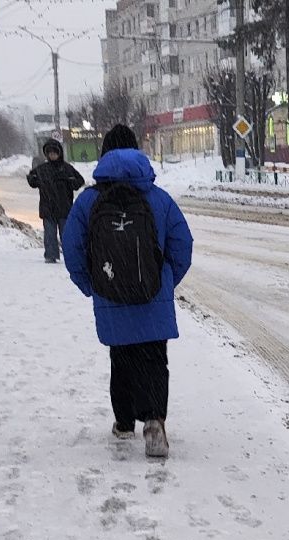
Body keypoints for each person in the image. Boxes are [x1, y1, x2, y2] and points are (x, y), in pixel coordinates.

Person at [62, 124, 194, 458]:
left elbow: (72, 248)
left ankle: (123, 423)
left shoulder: (88, 201)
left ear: (104, 154)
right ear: (137, 152)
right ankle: (154, 420)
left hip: (110, 294)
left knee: (120, 359)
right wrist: (164, 282)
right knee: (154, 359)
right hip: (152, 296)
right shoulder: (159, 199)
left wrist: (92, 285)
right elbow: (183, 245)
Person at [27, 139, 85, 264]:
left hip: (64, 207)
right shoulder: (42, 169)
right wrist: (35, 180)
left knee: (67, 234)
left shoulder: (67, 168)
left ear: (59, 153)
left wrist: (69, 181)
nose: (52, 155)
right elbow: (32, 180)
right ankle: (51, 255)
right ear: (47, 155)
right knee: (49, 234)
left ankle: (70, 255)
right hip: (47, 207)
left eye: (54, 153)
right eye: (50, 153)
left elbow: (80, 181)